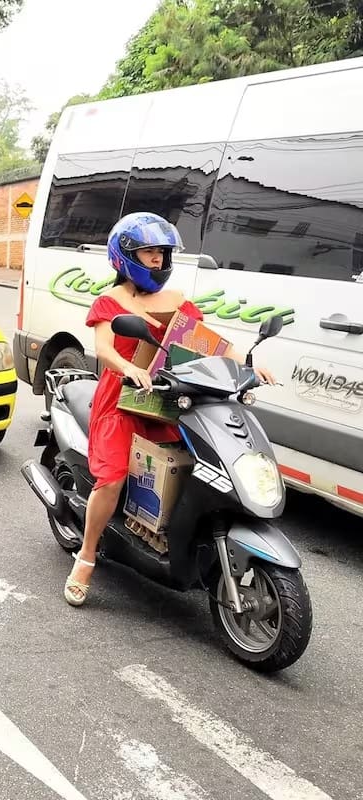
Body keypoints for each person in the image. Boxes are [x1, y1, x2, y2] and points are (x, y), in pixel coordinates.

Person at [64, 212, 275, 607]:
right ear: (125, 257)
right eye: (148, 253)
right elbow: (105, 349)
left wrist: (248, 361)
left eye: (162, 254)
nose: (158, 261)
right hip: (122, 401)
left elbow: (208, 342)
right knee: (110, 480)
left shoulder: (176, 300)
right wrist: (129, 367)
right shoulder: (111, 301)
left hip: (168, 398)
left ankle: (170, 535)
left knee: (197, 465)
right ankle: (87, 554)